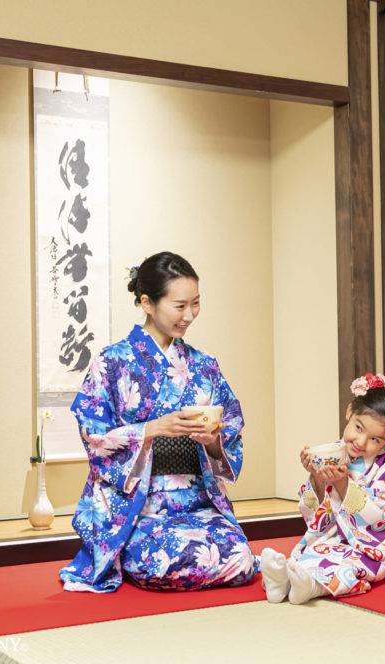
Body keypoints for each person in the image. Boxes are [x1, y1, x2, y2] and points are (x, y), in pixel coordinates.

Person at [59, 251, 257, 593]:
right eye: (179, 306)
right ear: (147, 303)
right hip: (139, 506)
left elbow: (231, 430)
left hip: (196, 500)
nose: (189, 315)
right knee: (164, 562)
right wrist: (152, 429)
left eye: (196, 303)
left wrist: (212, 440)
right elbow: (93, 436)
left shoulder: (204, 365)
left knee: (240, 560)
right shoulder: (112, 362)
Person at [261, 373, 385, 604]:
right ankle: (281, 582)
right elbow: (316, 517)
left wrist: (342, 483)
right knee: (311, 552)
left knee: (348, 563)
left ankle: (310, 586)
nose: (361, 442)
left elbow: (382, 518)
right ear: (350, 412)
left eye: (375, 439)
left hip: (377, 546)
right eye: (358, 428)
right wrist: (316, 476)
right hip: (336, 537)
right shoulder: (334, 452)